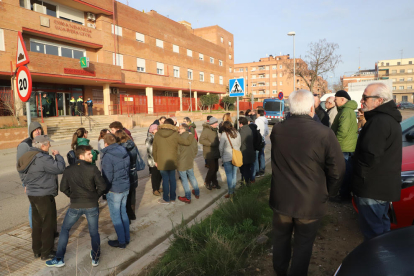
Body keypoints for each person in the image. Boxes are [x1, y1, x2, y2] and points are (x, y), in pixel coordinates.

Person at [270, 90, 345, 276]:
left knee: (280, 239)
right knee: (304, 243)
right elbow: (338, 169)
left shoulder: (278, 129)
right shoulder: (324, 133)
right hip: (310, 201)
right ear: (312, 108)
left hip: (282, 199)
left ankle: (279, 272)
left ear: (290, 108)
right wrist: (330, 192)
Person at [352, 83, 402, 240]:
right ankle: (383, 262)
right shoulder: (386, 119)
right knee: (382, 231)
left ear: (379, 100)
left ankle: (376, 263)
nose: (362, 101)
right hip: (380, 188)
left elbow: (369, 156)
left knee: (373, 236)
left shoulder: (379, 121)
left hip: (372, 188)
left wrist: (358, 177)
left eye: (365, 97)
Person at [45, 145, 106, 268]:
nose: (92, 156)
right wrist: (95, 197)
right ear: (81, 156)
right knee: (94, 232)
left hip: (75, 205)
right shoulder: (93, 169)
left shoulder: (69, 170)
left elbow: (63, 188)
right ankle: (95, 257)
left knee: (65, 230)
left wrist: (73, 196)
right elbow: (103, 187)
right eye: (89, 154)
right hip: (91, 205)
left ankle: (59, 258)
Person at [17, 135, 66, 260]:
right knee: (48, 224)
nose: (50, 145)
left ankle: (37, 250)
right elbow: (60, 168)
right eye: (48, 143)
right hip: (43, 194)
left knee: (37, 222)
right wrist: (58, 156)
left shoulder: (28, 156)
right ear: (43, 145)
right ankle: (46, 252)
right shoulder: (42, 158)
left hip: (32, 194)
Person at [153, 118, 194, 204]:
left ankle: (165, 199)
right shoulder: (175, 134)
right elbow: (186, 143)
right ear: (172, 126)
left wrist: (156, 160)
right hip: (173, 160)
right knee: (172, 179)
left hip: (161, 161)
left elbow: (154, 150)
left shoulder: (157, 134)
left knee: (165, 180)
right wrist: (190, 135)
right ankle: (172, 198)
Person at [101, 133, 131, 248]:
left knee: (115, 215)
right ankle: (126, 237)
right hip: (125, 186)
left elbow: (107, 176)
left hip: (115, 189)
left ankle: (122, 241)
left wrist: (105, 190)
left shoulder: (107, 155)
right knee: (123, 212)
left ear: (106, 143)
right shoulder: (123, 151)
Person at [331, 90, 358, 201]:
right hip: (345, 146)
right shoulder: (346, 110)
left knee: (344, 172)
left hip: (343, 147)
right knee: (346, 171)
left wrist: (334, 144)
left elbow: (343, 131)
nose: (334, 102)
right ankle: (344, 194)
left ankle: (344, 196)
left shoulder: (346, 111)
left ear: (342, 99)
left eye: (336, 99)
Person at [16, 122, 44, 229]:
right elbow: (20, 166)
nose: (37, 131)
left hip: (42, 180)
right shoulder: (25, 145)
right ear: (31, 132)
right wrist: (25, 183)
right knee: (34, 205)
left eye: (39, 129)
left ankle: (44, 228)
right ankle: (35, 230)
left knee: (42, 206)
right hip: (30, 181)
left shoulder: (42, 142)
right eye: (34, 130)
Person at [114, 130, 139, 222]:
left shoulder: (120, 148)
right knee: (132, 194)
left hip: (126, 174)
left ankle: (127, 216)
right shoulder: (132, 145)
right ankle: (132, 214)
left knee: (125, 197)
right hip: (133, 172)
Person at [177, 123, 200, 204]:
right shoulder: (192, 138)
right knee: (192, 177)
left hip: (181, 163)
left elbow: (177, 152)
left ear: (184, 129)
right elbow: (196, 149)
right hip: (190, 161)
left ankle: (188, 197)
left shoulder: (179, 139)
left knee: (184, 180)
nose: (178, 130)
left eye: (179, 128)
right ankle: (197, 193)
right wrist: (192, 157)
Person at [219, 121, 241, 198]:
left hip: (227, 157)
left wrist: (221, 156)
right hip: (236, 156)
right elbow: (239, 144)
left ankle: (230, 192)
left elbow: (221, 148)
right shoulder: (237, 133)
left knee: (229, 175)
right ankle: (233, 191)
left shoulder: (224, 135)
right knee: (234, 174)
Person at [199, 117, 221, 190]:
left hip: (215, 152)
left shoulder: (214, 130)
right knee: (212, 169)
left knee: (216, 168)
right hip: (209, 152)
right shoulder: (206, 130)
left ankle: (214, 182)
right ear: (211, 123)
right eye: (215, 123)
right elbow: (201, 140)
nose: (217, 124)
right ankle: (207, 182)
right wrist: (210, 144)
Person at [238, 117, 255, 186]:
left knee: (244, 169)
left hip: (244, 153)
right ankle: (248, 181)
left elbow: (240, 142)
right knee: (248, 168)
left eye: (239, 123)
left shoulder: (242, 131)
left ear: (241, 123)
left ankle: (245, 183)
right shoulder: (248, 128)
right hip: (250, 151)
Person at [146, 124, 162, 196]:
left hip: (159, 159)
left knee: (159, 175)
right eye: (156, 129)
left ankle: (158, 188)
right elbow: (150, 150)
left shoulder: (157, 137)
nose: (158, 130)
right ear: (153, 130)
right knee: (155, 175)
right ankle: (155, 189)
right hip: (153, 161)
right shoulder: (149, 138)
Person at [254, 109, 269, 177]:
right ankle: (262, 170)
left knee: (256, 157)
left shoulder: (257, 120)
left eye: (256, 113)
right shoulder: (265, 120)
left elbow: (256, 130)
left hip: (257, 140)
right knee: (262, 156)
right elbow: (267, 132)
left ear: (259, 114)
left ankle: (257, 172)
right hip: (263, 140)